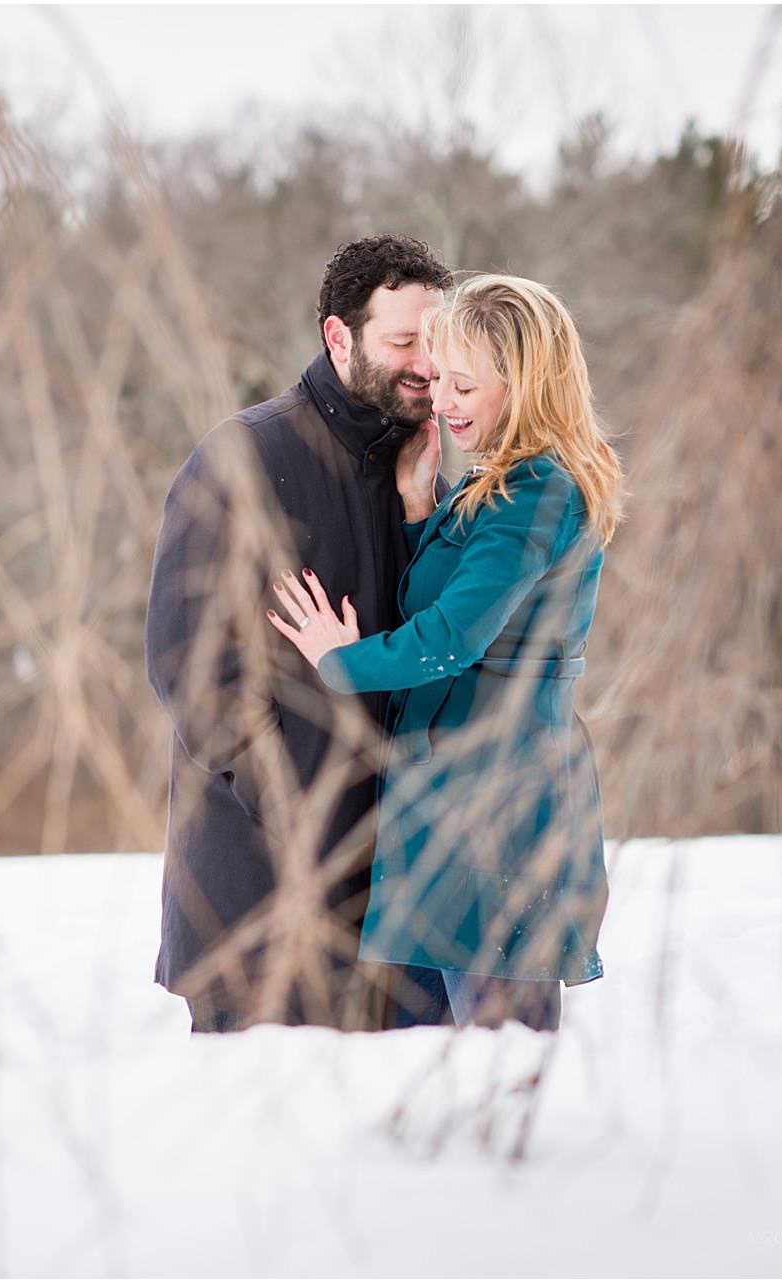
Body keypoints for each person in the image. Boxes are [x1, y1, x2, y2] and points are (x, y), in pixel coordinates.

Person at [265, 274, 625, 1031]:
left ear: (525, 388)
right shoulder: (492, 488)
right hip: (450, 804)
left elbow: (454, 637)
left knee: (501, 1060)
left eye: (464, 384)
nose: (443, 402)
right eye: (440, 382)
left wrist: (342, 661)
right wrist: (417, 508)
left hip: (498, 810)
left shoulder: (539, 492)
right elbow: (444, 595)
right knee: (442, 1063)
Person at [146, 235, 459, 1033]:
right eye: (402, 342)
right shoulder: (243, 458)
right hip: (258, 914)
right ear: (338, 337)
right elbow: (192, 667)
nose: (427, 363)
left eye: (439, 339)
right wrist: (293, 806)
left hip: (395, 922)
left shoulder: (424, 477)